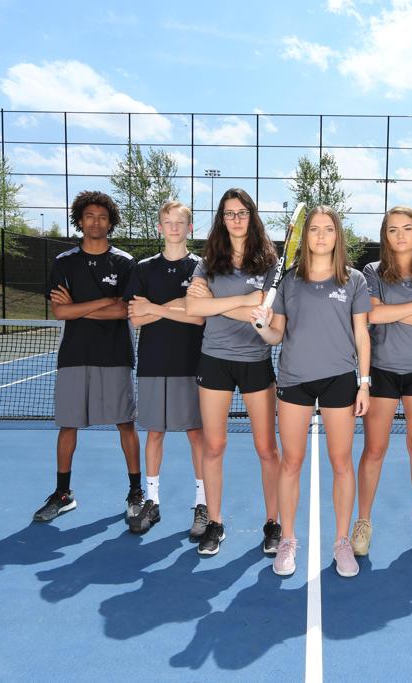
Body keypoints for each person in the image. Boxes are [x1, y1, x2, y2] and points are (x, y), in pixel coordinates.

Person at [251, 206, 372, 578]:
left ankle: (341, 542)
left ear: (338, 236)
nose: (321, 236)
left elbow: (362, 335)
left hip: (339, 379)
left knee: (341, 463)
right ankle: (287, 540)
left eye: (328, 229)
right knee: (291, 462)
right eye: (314, 230)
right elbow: (277, 335)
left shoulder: (353, 281)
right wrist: (261, 327)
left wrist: (364, 382)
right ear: (306, 238)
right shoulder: (289, 281)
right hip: (294, 380)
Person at [185, 188, 282, 556]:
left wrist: (215, 304)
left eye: (241, 212)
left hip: (256, 361)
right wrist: (243, 301)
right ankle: (215, 522)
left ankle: (273, 523)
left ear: (251, 216)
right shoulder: (209, 260)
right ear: (221, 219)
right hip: (214, 359)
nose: (236, 219)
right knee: (214, 445)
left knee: (266, 448)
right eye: (229, 213)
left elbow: (266, 315)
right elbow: (195, 307)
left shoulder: (269, 262)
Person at [33, 191, 140, 523]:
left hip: (115, 354)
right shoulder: (63, 263)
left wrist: (78, 308)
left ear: (111, 223)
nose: (96, 222)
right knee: (68, 426)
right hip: (74, 355)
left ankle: (136, 491)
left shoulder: (125, 262)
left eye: (102, 217)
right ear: (79, 220)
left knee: (126, 423)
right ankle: (63, 493)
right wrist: (101, 303)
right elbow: (60, 311)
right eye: (90, 216)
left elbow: (124, 310)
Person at [353, 206, 412, 558]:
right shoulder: (372, 271)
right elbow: (373, 315)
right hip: (382, 372)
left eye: (407, 228)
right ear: (385, 236)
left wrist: (399, 310)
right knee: (374, 450)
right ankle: (363, 522)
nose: (400, 235)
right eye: (392, 230)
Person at [124, 201, 207, 537]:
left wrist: (156, 307)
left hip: (192, 363)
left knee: (195, 434)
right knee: (154, 433)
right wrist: (178, 306)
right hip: (153, 363)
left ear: (190, 227)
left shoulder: (202, 267)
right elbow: (135, 317)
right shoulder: (143, 269)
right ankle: (153, 500)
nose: (174, 227)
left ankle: (202, 503)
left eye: (180, 222)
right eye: (168, 222)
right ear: (159, 227)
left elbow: (199, 315)